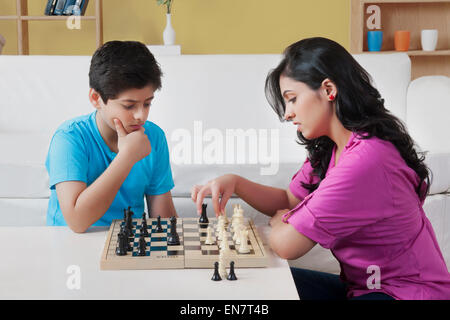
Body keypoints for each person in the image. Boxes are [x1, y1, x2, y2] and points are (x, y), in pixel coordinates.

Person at [191, 37, 450, 300]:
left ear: (328, 90)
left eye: (292, 99)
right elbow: (290, 200)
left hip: (405, 294)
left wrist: (284, 220)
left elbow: (286, 245)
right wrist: (237, 183)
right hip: (363, 289)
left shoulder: (366, 160)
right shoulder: (332, 147)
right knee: (257, 282)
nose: (287, 114)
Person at [46, 41, 177, 232]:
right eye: (129, 105)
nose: (141, 115)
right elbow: (77, 221)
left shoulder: (154, 137)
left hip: (129, 245)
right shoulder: (69, 138)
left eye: (147, 103)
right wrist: (127, 157)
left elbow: (164, 220)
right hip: (71, 244)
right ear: (96, 99)